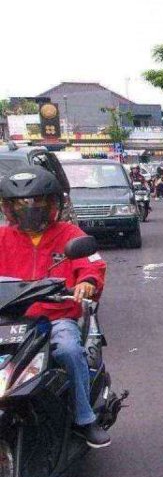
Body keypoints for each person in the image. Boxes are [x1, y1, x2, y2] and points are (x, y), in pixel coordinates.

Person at [0, 167, 110, 447]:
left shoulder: (69, 234)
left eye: (37, 201)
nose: (29, 208)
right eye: (20, 203)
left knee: (70, 351)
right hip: (11, 320)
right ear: (9, 207)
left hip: (55, 319)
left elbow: (92, 265)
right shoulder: (2, 238)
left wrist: (86, 282)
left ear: (52, 203)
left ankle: (85, 419)